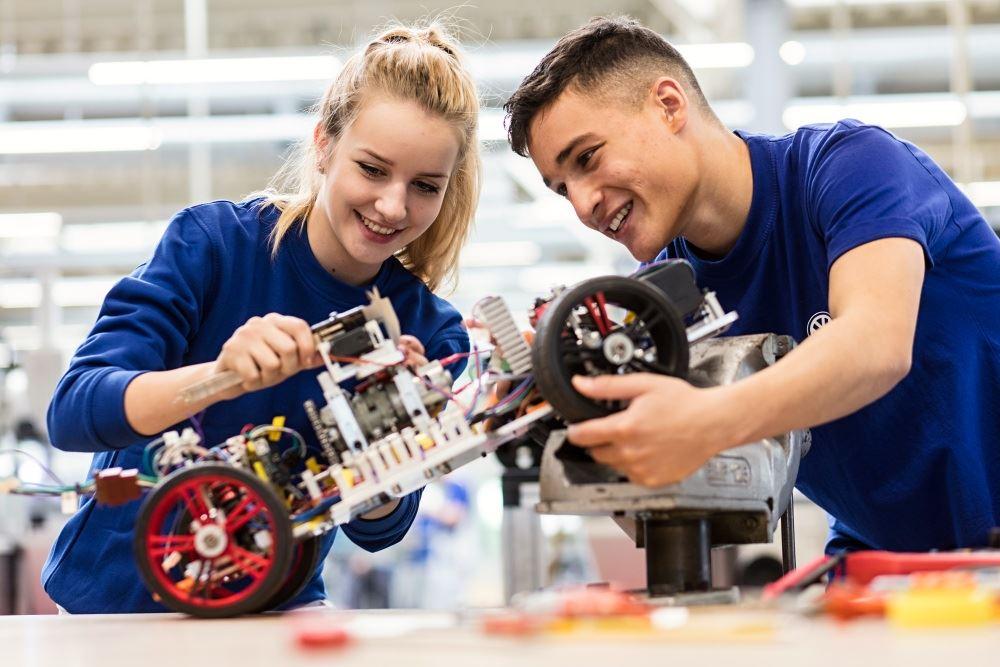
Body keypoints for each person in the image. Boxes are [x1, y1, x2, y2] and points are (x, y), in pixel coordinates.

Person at [503, 16, 1000, 553]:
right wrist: (566, 421)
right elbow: (671, 520)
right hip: (890, 559)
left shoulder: (847, 166)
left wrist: (705, 421)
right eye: (563, 189)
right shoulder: (658, 307)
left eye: (587, 158)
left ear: (668, 106)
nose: (583, 205)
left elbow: (875, 346)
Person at [42, 22, 480, 613]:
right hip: (117, 601)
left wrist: (381, 437)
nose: (393, 205)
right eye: (373, 169)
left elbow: (378, 529)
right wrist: (219, 378)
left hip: (272, 606)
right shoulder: (213, 246)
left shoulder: (427, 332)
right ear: (324, 145)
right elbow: (74, 412)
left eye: (425, 185)